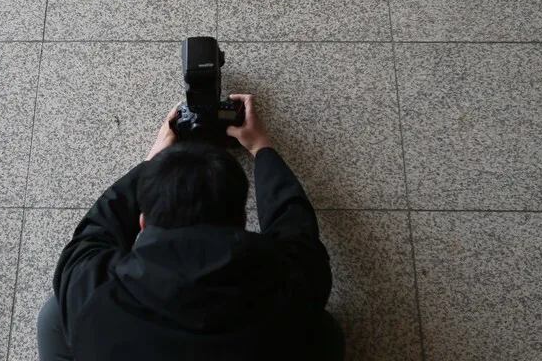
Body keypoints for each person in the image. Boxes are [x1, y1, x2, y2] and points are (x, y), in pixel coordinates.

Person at [37, 94, 344, 361]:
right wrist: (261, 146)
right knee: (325, 331)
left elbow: (95, 230)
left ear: (142, 222)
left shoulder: (93, 285)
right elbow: (295, 228)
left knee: (55, 314)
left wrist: (152, 164)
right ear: (242, 221)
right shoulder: (291, 280)